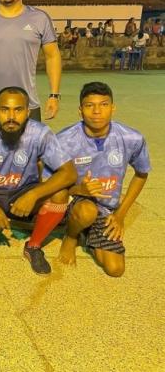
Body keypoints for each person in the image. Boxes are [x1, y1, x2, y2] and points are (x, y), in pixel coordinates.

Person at [0, 87, 76, 274]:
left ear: (28, 112)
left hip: (24, 190)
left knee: (60, 194)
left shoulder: (40, 133)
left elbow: (69, 173)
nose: (11, 116)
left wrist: (34, 194)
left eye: (18, 110)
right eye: (5, 109)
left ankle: (33, 246)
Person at [57, 82, 150, 277]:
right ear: (80, 110)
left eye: (104, 105)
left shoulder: (132, 138)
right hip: (74, 201)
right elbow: (50, 184)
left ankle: (88, 231)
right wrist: (78, 190)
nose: (97, 111)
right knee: (86, 210)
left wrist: (120, 215)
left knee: (114, 269)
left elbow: (141, 174)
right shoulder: (64, 140)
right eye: (90, 105)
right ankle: (71, 236)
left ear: (113, 108)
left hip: (106, 207)